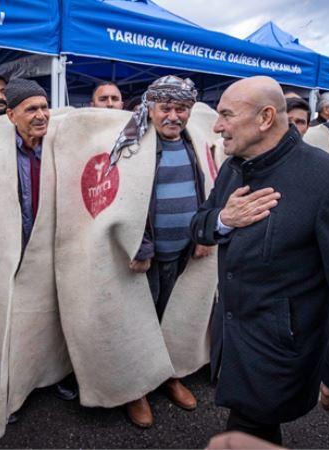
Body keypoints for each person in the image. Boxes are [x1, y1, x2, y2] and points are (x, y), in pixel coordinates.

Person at [190, 76, 329, 445]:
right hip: (234, 335)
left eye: (227, 115)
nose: (217, 126)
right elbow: (200, 225)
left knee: (248, 428)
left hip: (279, 348)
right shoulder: (236, 165)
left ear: (265, 118)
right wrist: (223, 220)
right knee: (252, 428)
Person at [115, 75, 210, 428]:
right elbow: (123, 200)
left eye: (181, 108)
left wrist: (203, 235)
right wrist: (140, 244)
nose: (174, 115)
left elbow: (206, 191)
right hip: (145, 258)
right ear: (149, 108)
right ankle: (135, 389)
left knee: (172, 317)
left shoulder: (195, 143)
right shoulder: (133, 146)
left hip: (183, 253)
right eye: (165, 107)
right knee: (138, 322)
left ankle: (168, 376)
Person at [3, 78, 77, 415]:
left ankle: (59, 373)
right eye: (31, 108)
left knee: (57, 315)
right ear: (10, 115)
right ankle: (17, 386)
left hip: (55, 248)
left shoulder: (61, 147)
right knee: (17, 320)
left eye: (45, 107)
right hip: (15, 251)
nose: (41, 114)